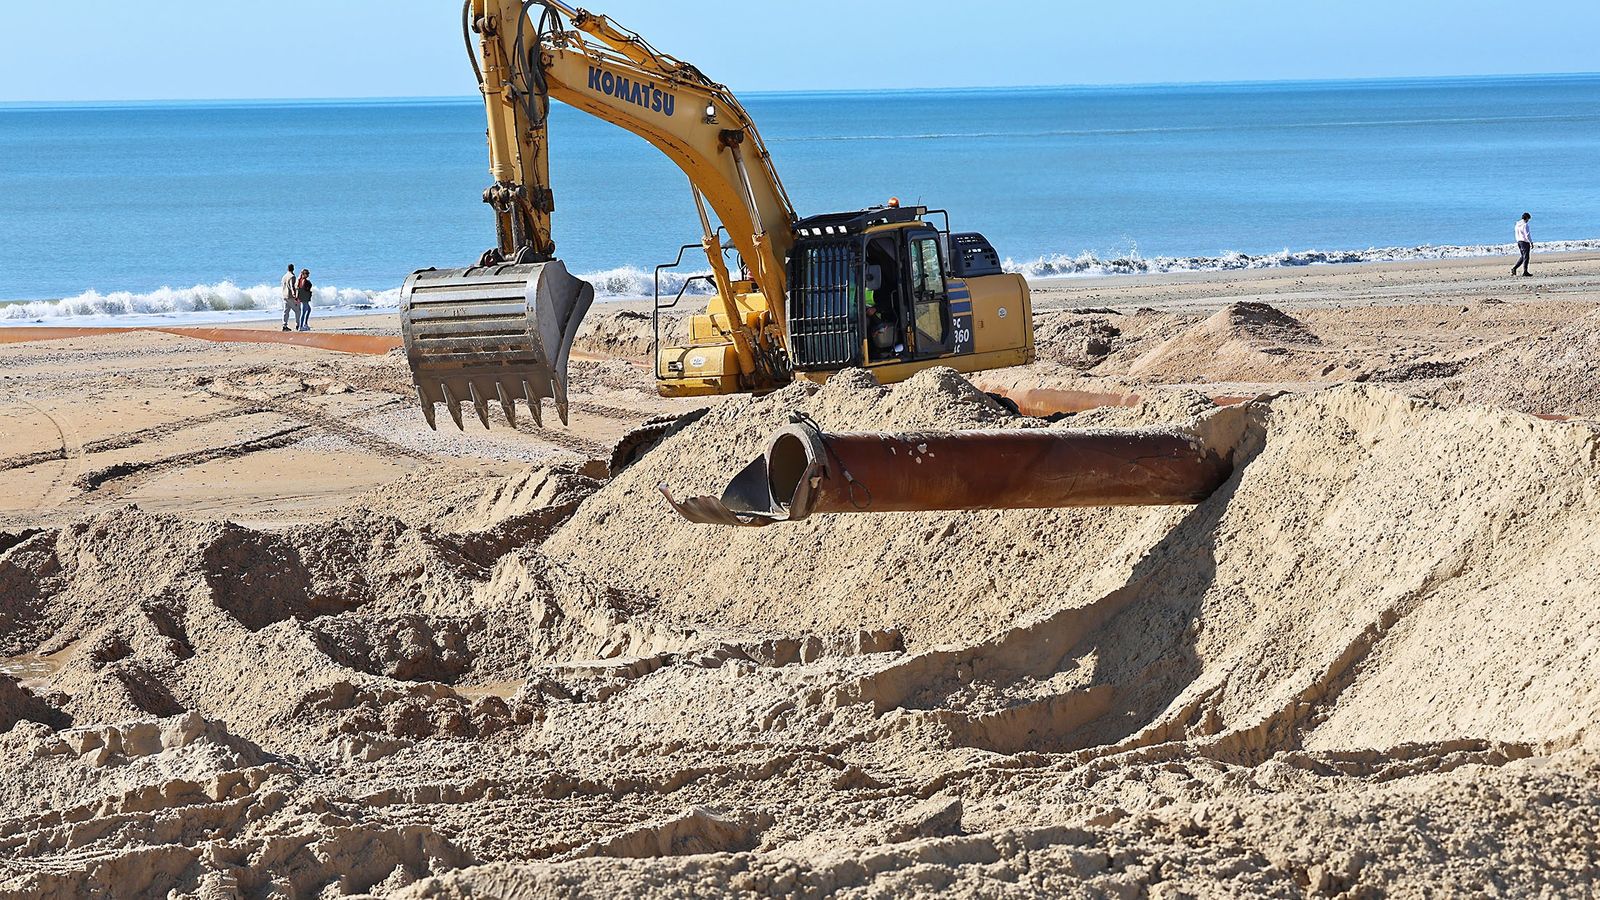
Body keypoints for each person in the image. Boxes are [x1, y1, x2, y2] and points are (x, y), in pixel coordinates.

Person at [1511, 212, 1533, 277]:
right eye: (1528, 219)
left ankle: (1514, 268)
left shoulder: (1517, 224)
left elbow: (1516, 233)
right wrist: (1531, 242)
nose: (1528, 220)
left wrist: (1518, 240)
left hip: (1519, 241)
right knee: (1526, 257)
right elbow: (1527, 234)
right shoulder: (1525, 225)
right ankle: (1525, 271)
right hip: (1524, 242)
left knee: (1523, 256)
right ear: (1527, 218)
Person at [281, 263, 299, 331]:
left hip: (284, 295)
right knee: (297, 310)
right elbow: (292, 286)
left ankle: (284, 325)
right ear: (293, 268)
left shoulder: (284, 276)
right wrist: (295, 295)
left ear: (287, 269)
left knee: (286, 311)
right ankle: (298, 324)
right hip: (290, 296)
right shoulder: (292, 276)